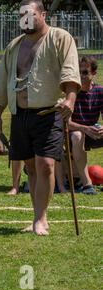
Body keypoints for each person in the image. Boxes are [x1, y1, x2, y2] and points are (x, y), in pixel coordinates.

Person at [0, 0, 81, 235]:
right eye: (21, 15)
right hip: (20, 115)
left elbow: (70, 70)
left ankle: (41, 219)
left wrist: (70, 100)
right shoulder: (15, 45)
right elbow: (3, 81)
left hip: (49, 112)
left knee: (46, 164)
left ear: (43, 14)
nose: (25, 19)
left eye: (30, 14)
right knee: (31, 166)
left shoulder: (60, 37)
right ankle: (38, 216)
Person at [65, 56, 103, 194]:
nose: (81, 76)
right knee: (77, 135)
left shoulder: (100, 91)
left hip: (93, 131)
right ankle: (87, 185)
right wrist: (85, 128)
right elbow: (67, 124)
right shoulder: (71, 93)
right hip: (74, 133)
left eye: (85, 72)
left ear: (94, 73)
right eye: (78, 72)